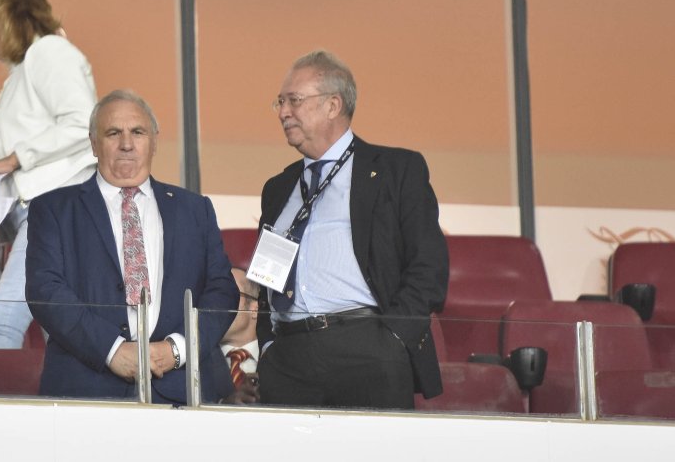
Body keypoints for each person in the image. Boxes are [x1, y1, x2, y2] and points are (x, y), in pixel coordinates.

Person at [256, 50, 448, 409]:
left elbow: (429, 266)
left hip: (367, 351)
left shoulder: (396, 169)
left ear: (333, 104)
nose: (283, 112)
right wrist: (268, 347)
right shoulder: (278, 187)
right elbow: (267, 279)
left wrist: (393, 338)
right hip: (287, 361)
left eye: (294, 100)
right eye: (280, 102)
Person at [25, 89, 238, 404]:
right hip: (88, 389)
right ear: (94, 143)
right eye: (113, 133)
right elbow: (45, 291)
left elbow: (222, 291)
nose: (126, 144)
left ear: (154, 140)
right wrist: (111, 350)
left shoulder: (195, 209)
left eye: (137, 132)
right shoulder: (54, 209)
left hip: (182, 390)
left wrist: (178, 349)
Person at [0, 0, 98, 349]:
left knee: (1, 320)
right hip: (45, 214)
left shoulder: (48, 52)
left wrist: (13, 159)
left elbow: (85, 121)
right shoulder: (22, 73)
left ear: (6, 15)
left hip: (54, 210)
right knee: (59, 330)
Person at [220, 267, 261, 404]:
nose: (220, 304)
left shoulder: (277, 358)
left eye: (231, 294)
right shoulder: (197, 362)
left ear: (254, 309)